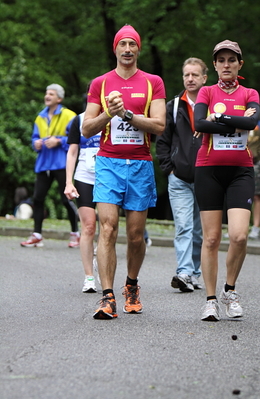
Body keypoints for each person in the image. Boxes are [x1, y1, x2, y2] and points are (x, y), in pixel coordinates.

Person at [82, 25, 166, 319]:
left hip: (141, 164)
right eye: (123, 44)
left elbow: (159, 125)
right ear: (115, 49)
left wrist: (129, 114)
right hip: (108, 163)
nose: (127, 49)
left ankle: (131, 284)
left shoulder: (152, 82)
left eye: (132, 44)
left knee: (134, 235)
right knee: (107, 228)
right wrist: (109, 112)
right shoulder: (101, 83)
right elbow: (86, 128)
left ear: (138, 49)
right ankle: (107, 297)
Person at [194, 40, 260, 321]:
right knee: (211, 239)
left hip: (241, 171)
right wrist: (236, 118)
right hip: (208, 169)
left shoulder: (250, 92)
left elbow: (253, 123)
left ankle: (229, 290)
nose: (226, 65)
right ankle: (210, 300)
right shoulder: (206, 91)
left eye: (231, 60)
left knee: (239, 236)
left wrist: (218, 116)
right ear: (215, 65)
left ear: (239, 64)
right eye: (221, 60)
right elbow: (199, 123)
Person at [156, 57, 208, 292]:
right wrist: (170, 167)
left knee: (199, 230)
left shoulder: (213, 104)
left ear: (204, 78)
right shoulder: (174, 106)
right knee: (184, 226)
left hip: (207, 176)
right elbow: (162, 140)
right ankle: (184, 272)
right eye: (186, 75)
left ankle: (195, 272)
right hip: (179, 177)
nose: (190, 79)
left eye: (195, 75)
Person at [20, 84, 78, 248]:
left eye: (51, 94)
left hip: (61, 163)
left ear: (59, 98)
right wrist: (35, 143)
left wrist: (59, 140)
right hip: (44, 164)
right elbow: (34, 138)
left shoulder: (69, 115)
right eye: (46, 93)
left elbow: (77, 139)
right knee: (38, 199)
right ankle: (37, 235)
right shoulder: (40, 117)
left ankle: (76, 233)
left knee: (66, 199)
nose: (47, 96)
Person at [64, 110, 101, 293]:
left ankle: (102, 261)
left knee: (109, 227)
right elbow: (72, 152)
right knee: (88, 226)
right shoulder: (78, 119)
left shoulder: (114, 116)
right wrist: (68, 182)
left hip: (109, 178)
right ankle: (89, 277)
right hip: (85, 177)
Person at [247, 116, 260, 239]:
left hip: (257, 162)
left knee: (257, 195)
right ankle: (239, 227)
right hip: (239, 161)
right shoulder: (236, 115)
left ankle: (256, 228)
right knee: (239, 195)